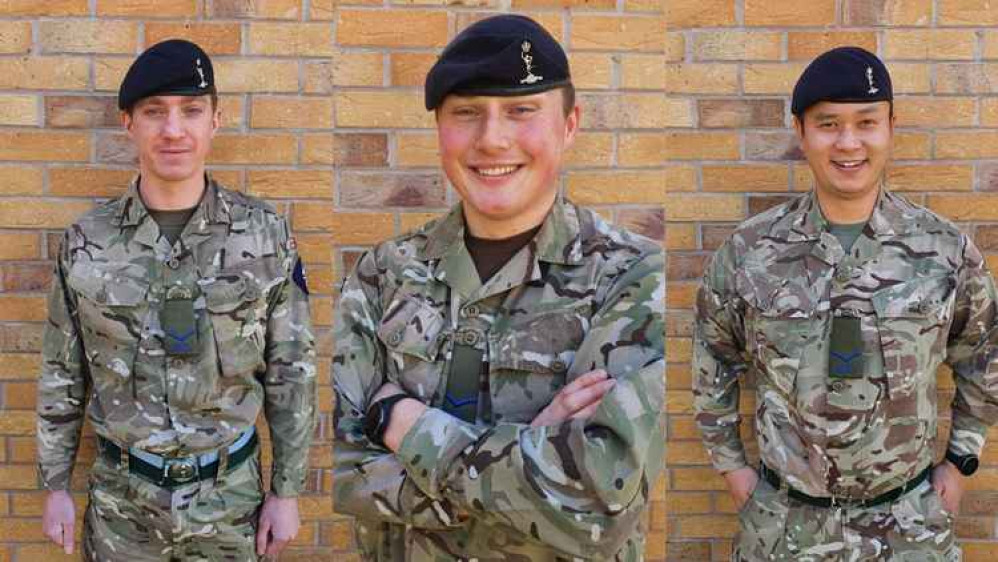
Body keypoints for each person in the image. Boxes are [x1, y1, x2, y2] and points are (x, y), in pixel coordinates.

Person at [331, 14, 665, 561]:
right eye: (467, 113)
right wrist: (531, 457)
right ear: (439, 127)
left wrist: (404, 425)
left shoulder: (635, 280)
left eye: (520, 110)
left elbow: (594, 507)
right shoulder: (382, 274)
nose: (492, 139)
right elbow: (345, 475)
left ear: (570, 124)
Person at [693, 46, 998, 561]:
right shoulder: (750, 252)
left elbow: (982, 357)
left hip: (910, 528)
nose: (849, 142)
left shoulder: (944, 251)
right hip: (785, 529)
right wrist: (734, 469)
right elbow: (712, 359)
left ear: (891, 127)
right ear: (801, 131)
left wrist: (962, 461)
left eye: (866, 122)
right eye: (829, 123)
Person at [36, 39, 317, 561]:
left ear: (216, 120)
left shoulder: (265, 236)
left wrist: (287, 491)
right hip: (123, 507)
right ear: (128, 123)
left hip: (232, 504)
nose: (173, 129)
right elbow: (62, 371)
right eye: (154, 112)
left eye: (191, 110)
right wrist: (55, 485)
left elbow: (292, 371)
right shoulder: (85, 241)